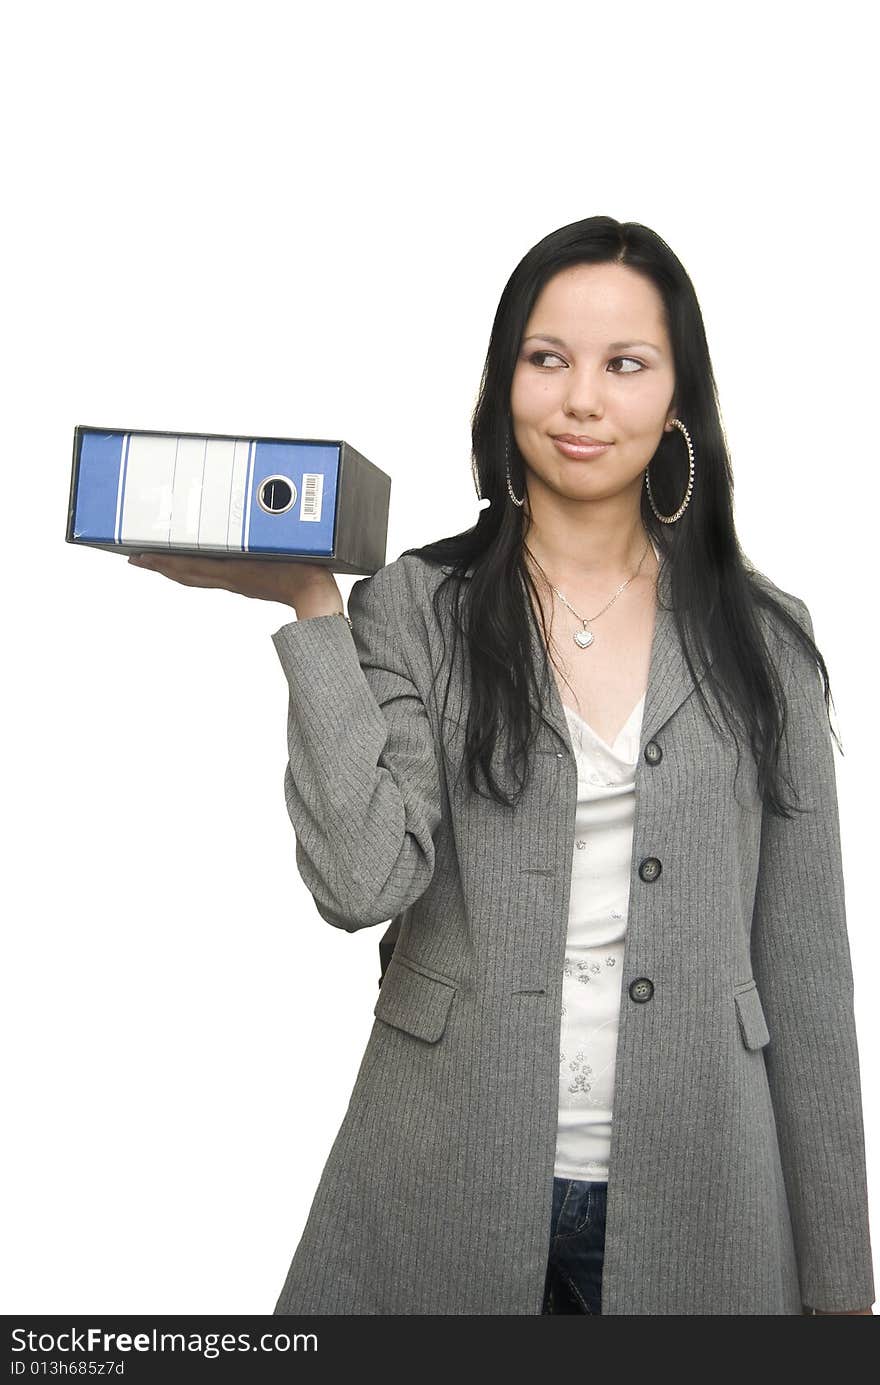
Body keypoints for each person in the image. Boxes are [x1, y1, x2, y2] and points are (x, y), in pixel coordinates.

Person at [127, 215, 874, 1314]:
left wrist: (843, 1293)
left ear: (677, 398)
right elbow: (360, 883)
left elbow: (807, 981)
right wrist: (311, 609)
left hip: (707, 1191)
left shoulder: (767, 638)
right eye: (546, 358)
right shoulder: (418, 610)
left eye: (625, 364)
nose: (582, 398)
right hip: (443, 1170)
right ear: (502, 381)